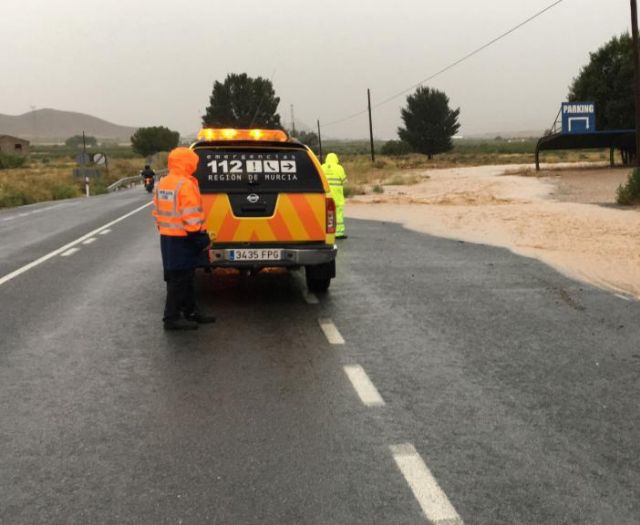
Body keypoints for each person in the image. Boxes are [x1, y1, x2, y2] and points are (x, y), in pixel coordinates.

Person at [152, 147, 215, 330]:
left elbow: (157, 211)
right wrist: (199, 236)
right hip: (185, 237)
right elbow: (191, 215)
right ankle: (171, 318)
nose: (196, 165)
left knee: (182, 277)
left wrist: (164, 229)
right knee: (179, 279)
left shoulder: (163, 182)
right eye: (193, 161)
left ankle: (191, 312)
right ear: (187, 162)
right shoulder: (185, 184)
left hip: (168, 237)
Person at [321, 152, 347, 238]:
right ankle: (339, 233)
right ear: (336, 159)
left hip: (326, 195)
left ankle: (325, 232)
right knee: (338, 213)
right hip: (337, 195)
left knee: (326, 213)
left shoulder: (322, 167)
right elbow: (344, 181)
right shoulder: (339, 168)